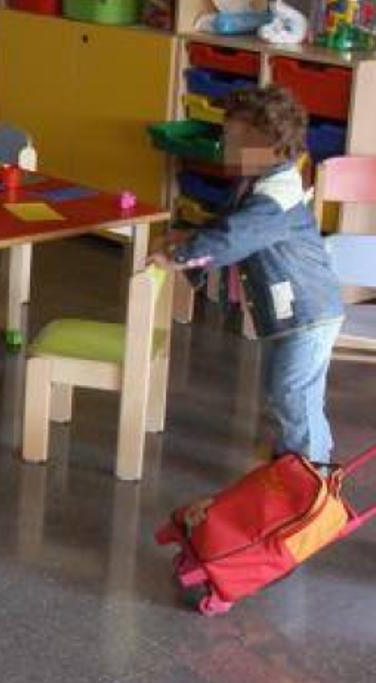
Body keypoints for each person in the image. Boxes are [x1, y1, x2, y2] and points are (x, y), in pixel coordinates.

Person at [151, 85, 344, 466]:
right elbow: (229, 224)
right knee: (289, 389)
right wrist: (190, 234)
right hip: (293, 314)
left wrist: (181, 255)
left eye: (234, 141)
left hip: (308, 313)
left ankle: (312, 472)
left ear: (268, 145)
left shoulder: (276, 196)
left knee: (292, 391)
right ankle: (303, 452)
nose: (227, 150)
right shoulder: (258, 184)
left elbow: (235, 237)